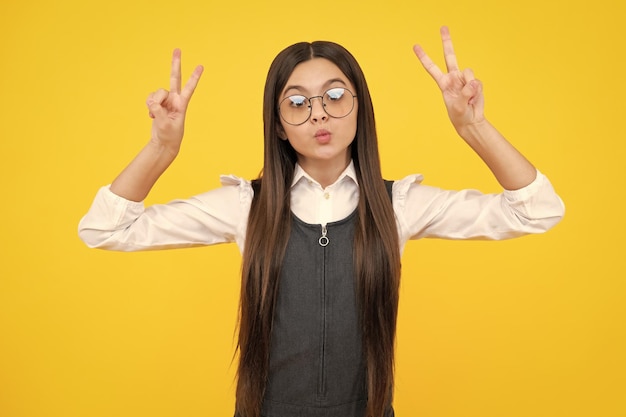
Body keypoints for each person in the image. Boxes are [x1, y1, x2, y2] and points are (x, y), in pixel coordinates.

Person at [78, 27, 565, 417]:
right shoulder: (245, 205)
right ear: (278, 125)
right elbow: (105, 229)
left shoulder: (400, 205)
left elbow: (537, 210)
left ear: (359, 108)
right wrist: (161, 148)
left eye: (335, 95)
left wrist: (473, 127)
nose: (318, 114)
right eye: (297, 102)